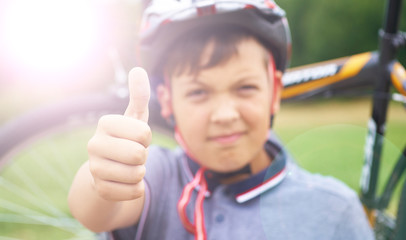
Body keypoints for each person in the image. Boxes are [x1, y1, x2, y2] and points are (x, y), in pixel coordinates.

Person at [68, 1, 375, 239]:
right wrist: (102, 179)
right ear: (166, 100)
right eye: (199, 92)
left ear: (274, 91)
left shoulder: (334, 209)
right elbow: (96, 211)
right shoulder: (159, 177)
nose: (225, 115)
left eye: (245, 88)